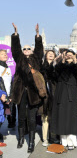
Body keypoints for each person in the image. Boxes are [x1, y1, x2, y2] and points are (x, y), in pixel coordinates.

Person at [11, 23, 44, 153]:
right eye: (24, 49)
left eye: (28, 49)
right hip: (20, 92)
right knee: (21, 117)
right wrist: (15, 33)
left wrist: (37, 35)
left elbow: (40, 49)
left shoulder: (36, 59)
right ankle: (20, 139)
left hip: (33, 93)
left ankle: (31, 141)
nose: (25, 50)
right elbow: (15, 49)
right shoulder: (19, 59)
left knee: (31, 118)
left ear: (31, 50)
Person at [51, 49, 77, 149]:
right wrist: (63, 61)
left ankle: (71, 139)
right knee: (62, 114)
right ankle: (63, 138)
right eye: (67, 55)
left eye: (70, 55)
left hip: (71, 91)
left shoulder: (75, 65)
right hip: (61, 90)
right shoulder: (61, 65)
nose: (69, 56)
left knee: (71, 115)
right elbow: (56, 72)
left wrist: (75, 61)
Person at [40, 50, 57, 146]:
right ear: (45, 56)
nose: (50, 54)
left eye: (52, 53)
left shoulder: (57, 66)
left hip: (54, 93)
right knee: (45, 118)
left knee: (54, 117)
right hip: (45, 94)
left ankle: (53, 136)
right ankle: (45, 138)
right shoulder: (42, 66)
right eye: (48, 53)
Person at [0, 49, 16, 129]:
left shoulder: (8, 68)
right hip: (2, 96)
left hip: (8, 96)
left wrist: (11, 96)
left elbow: (10, 83)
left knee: (5, 114)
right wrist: (3, 95)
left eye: (5, 54)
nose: (5, 55)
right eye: (2, 54)